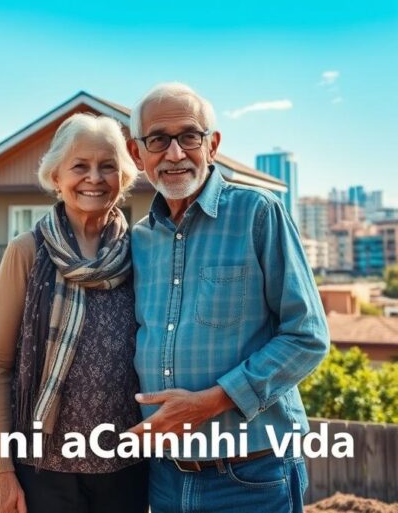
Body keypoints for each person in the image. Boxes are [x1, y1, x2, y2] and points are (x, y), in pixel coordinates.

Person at [126, 82, 329, 513]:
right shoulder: (140, 240)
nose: (175, 153)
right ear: (136, 153)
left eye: (190, 137)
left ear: (212, 144)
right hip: (164, 476)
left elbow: (307, 336)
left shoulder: (258, 213)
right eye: (158, 139)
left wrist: (209, 404)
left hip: (252, 474)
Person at [0, 113, 148, 513]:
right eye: (80, 166)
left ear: (124, 178)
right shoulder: (26, 252)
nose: (95, 177)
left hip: (126, 466)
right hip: (43, 469)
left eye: (108, 166)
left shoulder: (143, 252)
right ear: (56, 177)